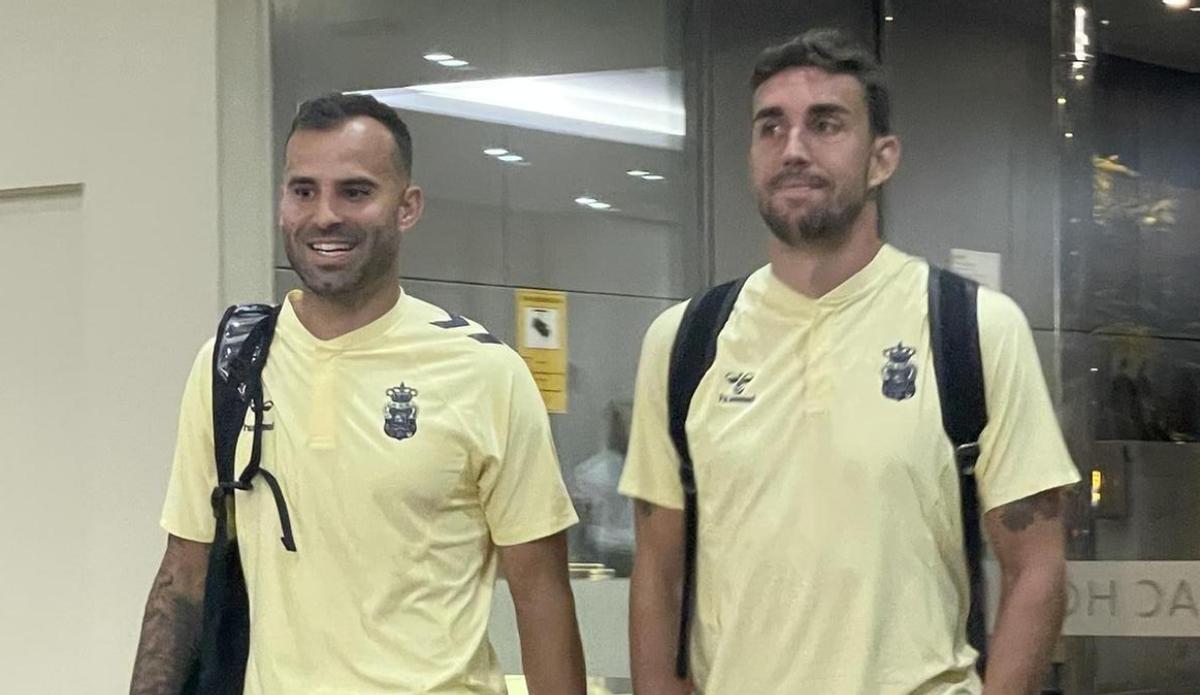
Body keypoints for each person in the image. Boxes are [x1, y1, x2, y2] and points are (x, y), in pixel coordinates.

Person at [620, 28, 1081, 695]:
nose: (794, 149)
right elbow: (658, 572)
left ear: (882, 158)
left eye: (826, 124)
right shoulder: (684, 341)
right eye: (770, 128)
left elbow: (1037, 566)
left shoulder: (973, 328)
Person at [129, 93, 586, 695]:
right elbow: (181, 579)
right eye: (303, 190)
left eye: (355, 191)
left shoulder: (485, 373)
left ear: (407, 207)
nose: (325, 215)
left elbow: (543, 600)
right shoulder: (232, 363)